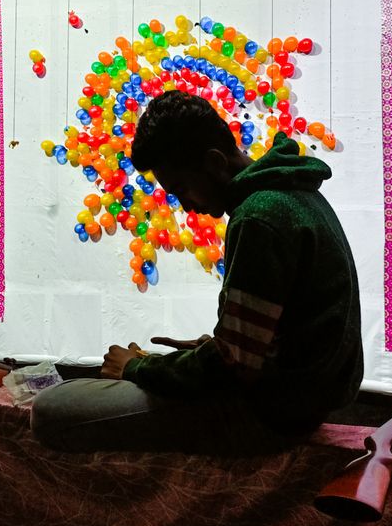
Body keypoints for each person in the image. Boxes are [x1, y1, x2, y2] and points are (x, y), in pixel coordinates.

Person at [31, 90, 363, 454]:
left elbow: (233, 367)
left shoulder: (260, 215)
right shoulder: (294, 191)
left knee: (51, 410)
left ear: (215, 162)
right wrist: (219, 348)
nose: (185, 205)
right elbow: (274, 337)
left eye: (181, 189)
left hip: (272, 414)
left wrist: (138, 370)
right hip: (304, 400)